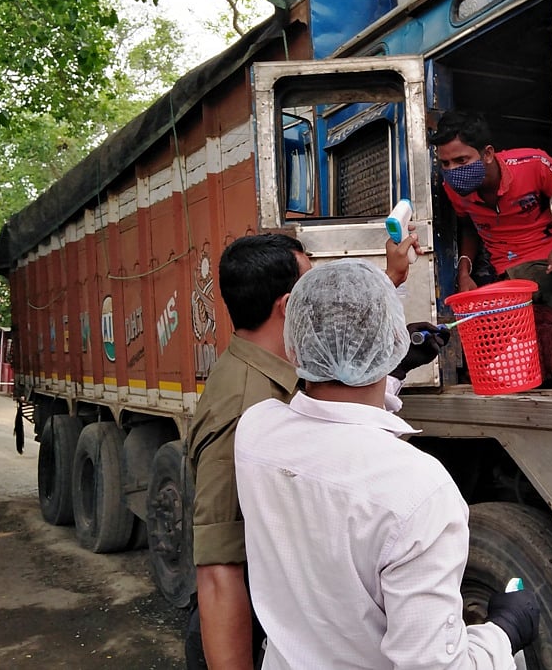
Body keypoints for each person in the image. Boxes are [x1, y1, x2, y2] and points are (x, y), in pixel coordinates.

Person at [234, 259, 540, 669]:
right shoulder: (418, 490)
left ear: (293, 344)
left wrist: (393, 373)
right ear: (395, 338)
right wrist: (505, 631)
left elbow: (335, 422)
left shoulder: (255, 431)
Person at [186, 231, 445, 669]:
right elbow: (219, 570)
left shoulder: (278, 372)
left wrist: (390, 348)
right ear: (288, 307)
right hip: (254, 630)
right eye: (312, 286)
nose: (325, 298)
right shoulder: (244, 410)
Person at [429, 110, 552, 310]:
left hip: (551, 261)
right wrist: (464, 272)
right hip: (504, 271)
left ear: (488, 154)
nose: (452, 171)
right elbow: (469, 226)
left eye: (461, 161)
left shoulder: (535, 164)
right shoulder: (453, 189)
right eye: (445, 163)